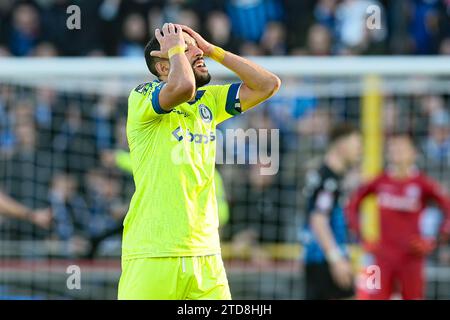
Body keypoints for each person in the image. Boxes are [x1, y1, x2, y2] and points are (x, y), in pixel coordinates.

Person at [118, 22, 280, 300]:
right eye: (185, 49)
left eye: (195, 48)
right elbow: (182, 87)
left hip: (206, 256)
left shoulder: (210, 102)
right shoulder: (142, 97)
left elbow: (268, 85)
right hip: (154, 253)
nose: (196, 52)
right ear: (163, 67)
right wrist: (177, 50)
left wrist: (213, 50)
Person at [346, 133, 450, 300]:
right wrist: (361, 237)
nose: (397, 151)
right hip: (380, 259)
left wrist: (434, 240)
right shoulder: (379, 181)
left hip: (412, 258)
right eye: (393, 147)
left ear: (414, 152)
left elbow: (447, 207)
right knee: (372, 297)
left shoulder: (422, 183)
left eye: (402, 146)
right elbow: (351, 205)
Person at [301, 123, 362, 300]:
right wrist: (336, 259)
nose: (359, 151)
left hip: (319, 258)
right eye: (356, 145)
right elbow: (318, 220)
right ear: (341, 145)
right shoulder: (328, 180)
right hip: (324, 259)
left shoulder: (328, 176)